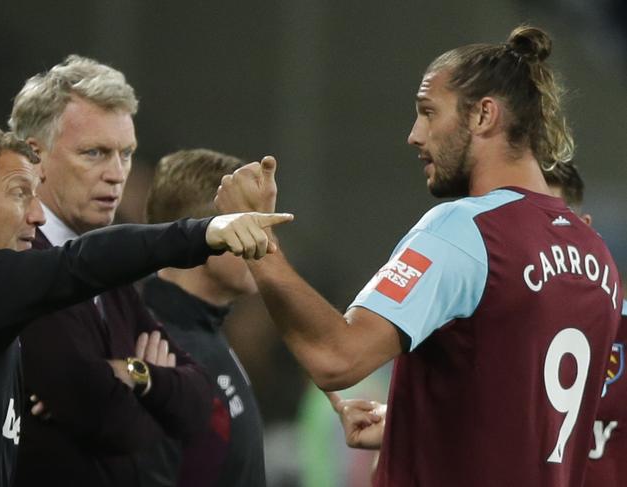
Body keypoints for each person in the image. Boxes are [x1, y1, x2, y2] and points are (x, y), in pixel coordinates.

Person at [215, 26, 622, 486]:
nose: (414, 135)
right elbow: (525, 409)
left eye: (429, 112)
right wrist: (413, 424)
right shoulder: (595, 254)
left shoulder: (466, 229)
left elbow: (336, 357)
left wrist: (256, 240)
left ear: (484, 115)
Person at [7, 54, 290, 487]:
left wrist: (136, 376)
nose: (116, 174)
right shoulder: (19, 266)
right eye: (95, 153)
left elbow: (196, 406)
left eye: (126, 154)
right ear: (34, 155)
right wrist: (153, 385)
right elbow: (115, 422)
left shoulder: (111, 275)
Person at [137, 148, 266, 486]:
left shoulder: (204, 334)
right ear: (201, 235)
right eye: (251, 225)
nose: (266, 244)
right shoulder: (158, 346)